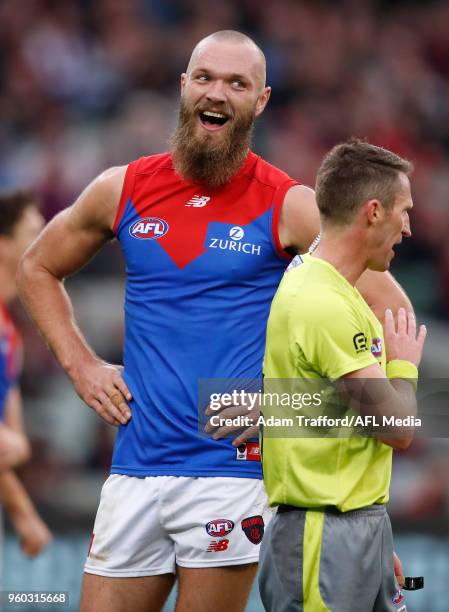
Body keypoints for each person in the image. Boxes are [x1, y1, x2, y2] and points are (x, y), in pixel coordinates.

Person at [17, 32, 413, 612]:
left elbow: (390, 309)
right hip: (134, 466)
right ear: (183, 88)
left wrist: (292, 413)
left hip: (231, 473)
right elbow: (36, 267)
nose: (218, 92)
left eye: (238, 83)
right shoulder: (122, 188)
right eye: (205, 77)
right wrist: (82, 366)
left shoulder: (289, 204)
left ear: (262, 100)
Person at [258, 139, 427, 612]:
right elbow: (395, 429)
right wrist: (404, 366)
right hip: (322, 534)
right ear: (373, 212)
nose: (409, 227)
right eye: (403, 210)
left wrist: (371, 534)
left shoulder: (339, 291)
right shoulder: (321, 302)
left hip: (356, 523)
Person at [0, 190, 51, 562]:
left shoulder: (9, 332)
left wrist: (23, 514)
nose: (49, 241)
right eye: (35, 233)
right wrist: (21, 511)